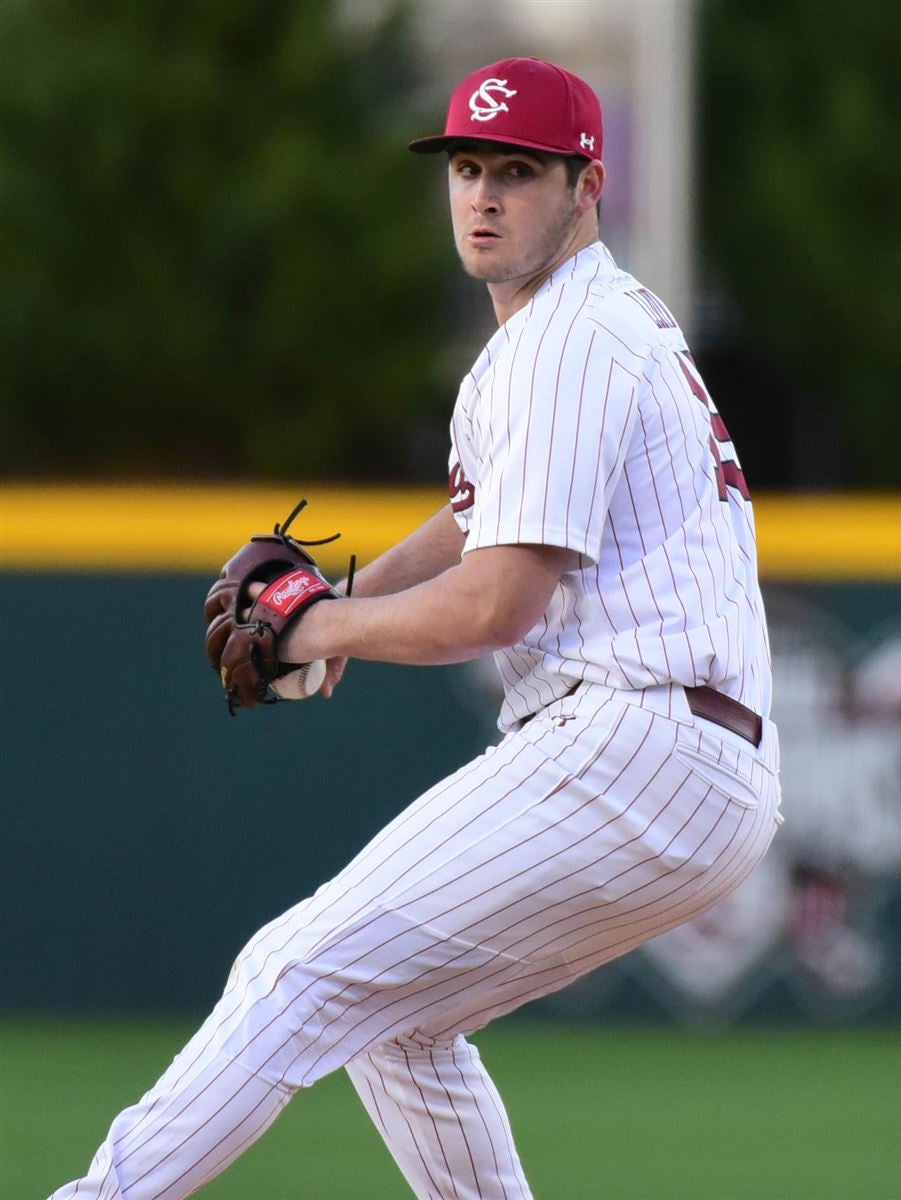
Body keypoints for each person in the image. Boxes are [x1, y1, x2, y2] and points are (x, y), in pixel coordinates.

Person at [50, 56, 782, 1200]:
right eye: (468, 168)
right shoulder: (592, 323)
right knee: (398, 1027)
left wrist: (315, 627)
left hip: (633, 743)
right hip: (685, 759)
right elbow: (484, 509)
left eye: (521, 173)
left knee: (295, 971)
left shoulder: (561, 342)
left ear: (587, 185)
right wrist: (349, 601)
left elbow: (497, 605)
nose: (484, 196)